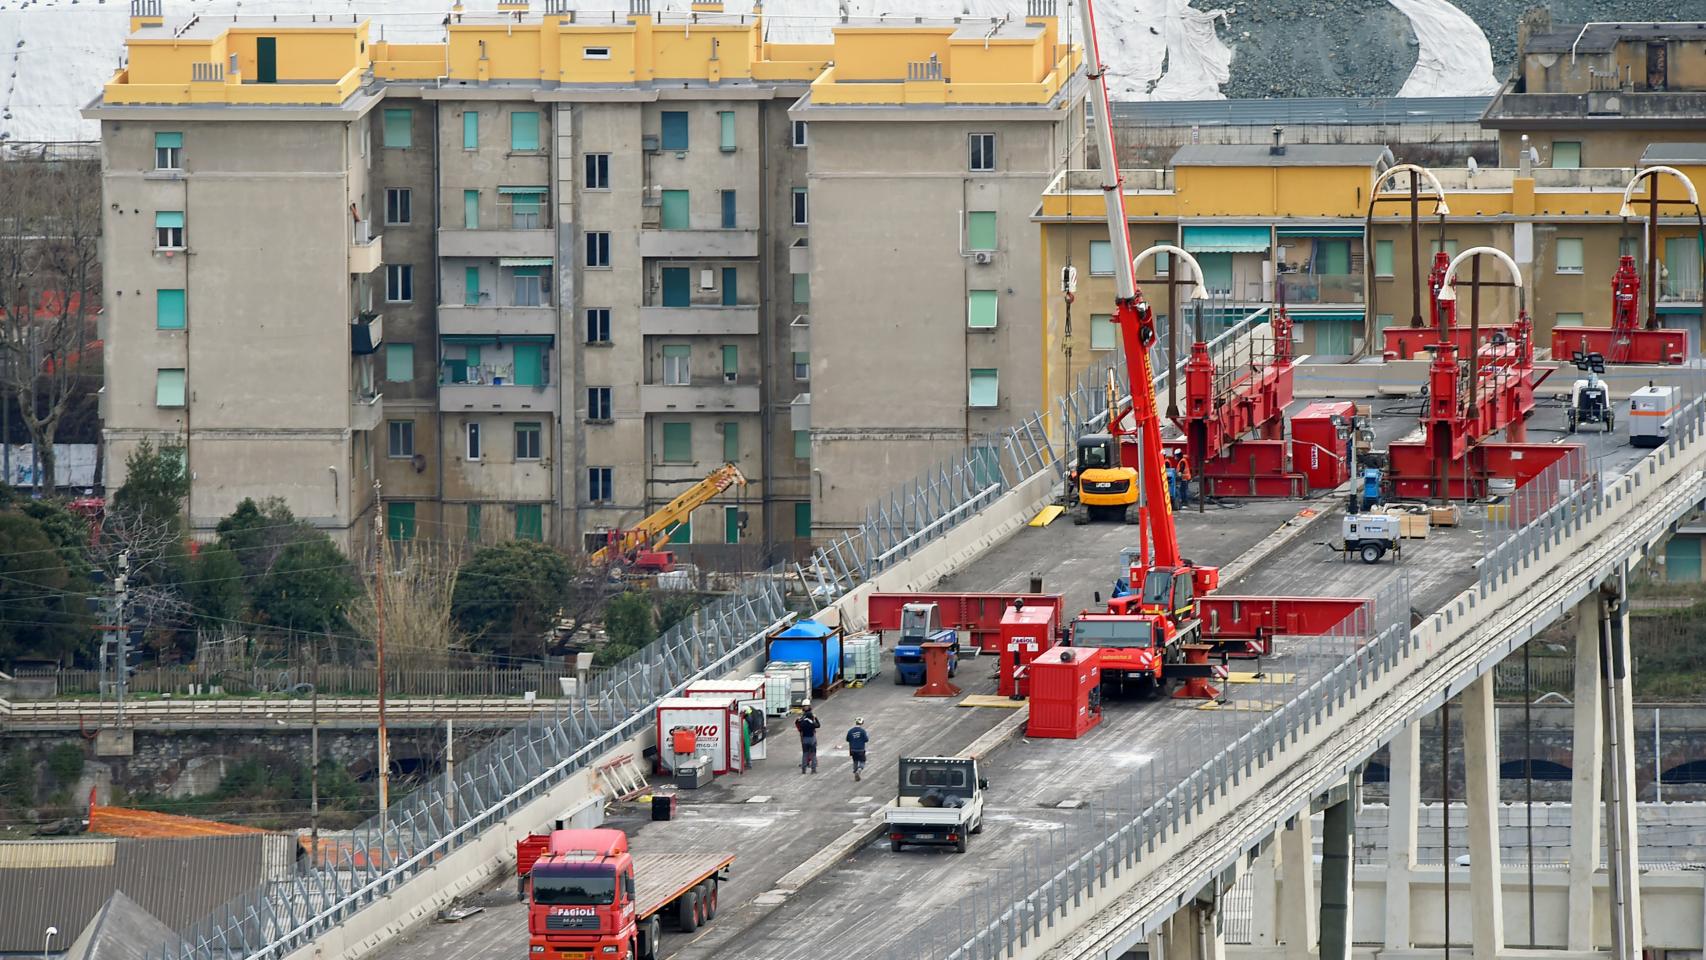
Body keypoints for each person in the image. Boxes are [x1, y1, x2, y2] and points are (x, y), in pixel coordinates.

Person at [794, 704, 821, 774]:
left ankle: (803, 769)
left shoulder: (802, 722)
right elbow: (818, 725)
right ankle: (813, 769)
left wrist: (799, 718)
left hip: (805, 739)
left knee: (805, 754)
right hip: (812, 739)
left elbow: (797, 723)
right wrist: (816, 718)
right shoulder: (812, 723)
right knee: (813, 754)